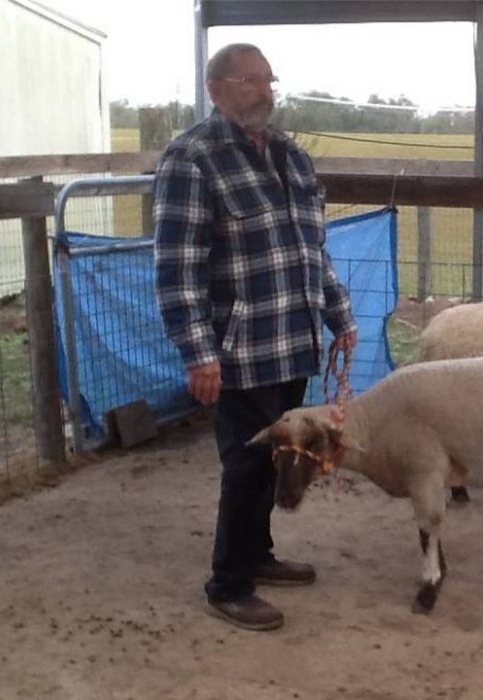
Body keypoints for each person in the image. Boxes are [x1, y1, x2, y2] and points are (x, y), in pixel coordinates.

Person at [153, 43, 358, 631]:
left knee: (278, 459)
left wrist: (339, 317)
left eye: (268, 80)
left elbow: (312, 251)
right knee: (244, 469)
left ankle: (258, 554)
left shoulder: (291, 157)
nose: (264, 91)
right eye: (249, 80)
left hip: (293, 343)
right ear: (216, 89)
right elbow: (178, 267)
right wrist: (198, 351)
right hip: (237, 352)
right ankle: (228, 582)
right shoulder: (191, 159)